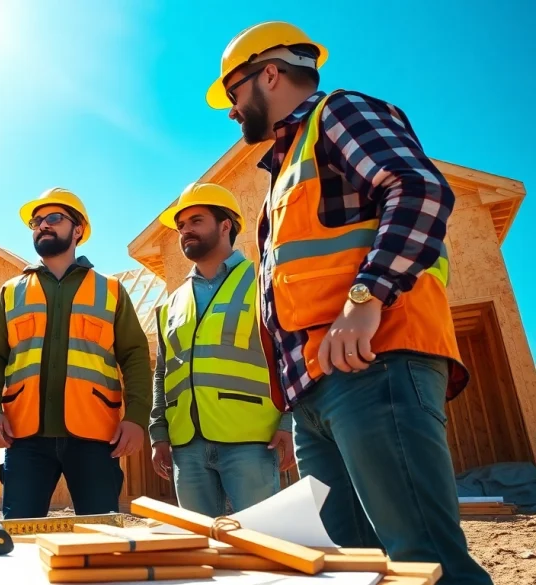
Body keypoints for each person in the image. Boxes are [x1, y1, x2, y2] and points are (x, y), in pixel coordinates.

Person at [206, 21, 491, 584]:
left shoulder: (337, 114)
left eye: (235, 93)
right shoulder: (286, 167)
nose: (232, 111)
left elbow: (419, 189)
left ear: (269, 73)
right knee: (353, 567)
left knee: (424, 559)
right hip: (316, 392)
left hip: (372, 366)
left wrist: (365, 298)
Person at [0, 187, 152, 519]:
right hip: (24, 437)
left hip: (96, 435)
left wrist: (136, 418)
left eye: (54, 218)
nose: (43, 225)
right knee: (20, 536)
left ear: (79, 230)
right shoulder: (10, 292)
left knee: (101, 537)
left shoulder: (111, 290)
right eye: (36, 221)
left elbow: (135, 356)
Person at [149, 182, 294, 516]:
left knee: (265, 544)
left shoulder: (262, 282)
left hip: (251, 441)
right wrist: (158, 432)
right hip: (187, 446)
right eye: (181, 226)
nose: (185, 230)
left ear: (225, 225)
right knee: (202, 552)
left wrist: (288, 421)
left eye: (196, 221)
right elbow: (162, 373)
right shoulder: (171, 304)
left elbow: (289, 354)